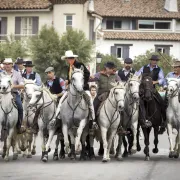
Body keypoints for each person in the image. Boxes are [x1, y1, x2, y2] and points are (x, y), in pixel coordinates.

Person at [55, 50, 95, 127]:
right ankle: (57, 118)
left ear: (73, 58)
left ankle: (92, 120)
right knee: (61, 101)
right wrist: (67, 80)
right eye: (67, 59)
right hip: (71, 89)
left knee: (90, 101)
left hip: (83, 88)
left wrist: (82, 84)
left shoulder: (80, 65)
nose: (68, 60)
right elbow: (70, 78)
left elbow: (87, 73)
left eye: (69, 58)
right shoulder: (69, 67)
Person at [136, 54, 166, 134]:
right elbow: (137, 76)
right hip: (143, 90)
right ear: (151, 60)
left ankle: (163, 122)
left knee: (162, 103)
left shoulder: (159, 69)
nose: (154, 62)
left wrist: (155, 82)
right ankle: (136, 122)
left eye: (156, 60)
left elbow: (162, 79)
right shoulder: (144, 67)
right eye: (153, 60)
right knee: (135, 103)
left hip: (153, 90)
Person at [2, 58, 24, 134]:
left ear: (12, 65)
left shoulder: (17, 74)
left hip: (14, 94)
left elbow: (22, 85)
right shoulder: (1, 74)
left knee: (20, 107)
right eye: (5, 64)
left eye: (9, 64)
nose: (7, 65)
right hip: (2, 94)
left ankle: (19, 126)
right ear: (4, 65)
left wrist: (14, 86)